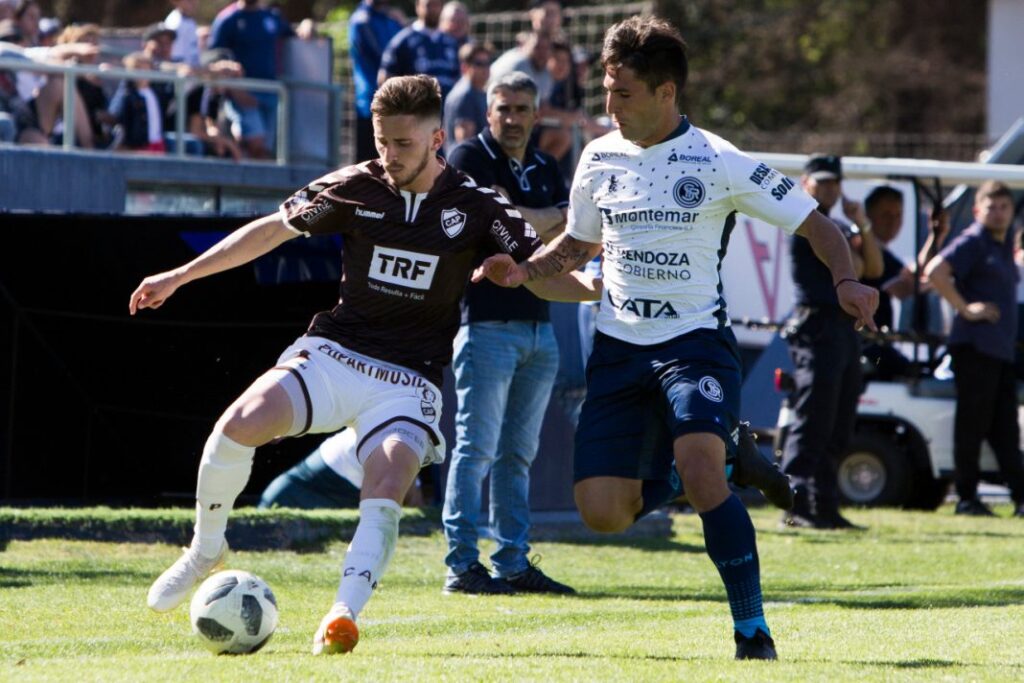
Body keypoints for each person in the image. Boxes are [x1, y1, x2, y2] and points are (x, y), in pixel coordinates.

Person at [131, 74, 600, 656]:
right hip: (337, 354)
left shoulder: (478, 206)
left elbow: (557, 279)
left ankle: (341, 615)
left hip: (408, 381)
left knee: (388, 480)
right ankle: (206, 549)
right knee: (238, 423)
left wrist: (582, 286)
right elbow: (270, 231)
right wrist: (179, 276)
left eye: (402, 144)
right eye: (381, 141)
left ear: (435, 139)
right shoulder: (355, 186)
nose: (389, 156)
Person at [473, 17, 877, 661]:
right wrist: (524, 269)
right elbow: (580, 242)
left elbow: (819, 227)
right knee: (604, 512)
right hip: (617, 347)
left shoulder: (719, 160)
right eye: (606, 91)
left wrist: (849, 282)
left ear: (666, 92)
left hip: (693, 346)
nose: (609, 107)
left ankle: (752, 629)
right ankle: (734, 456)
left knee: (698, 468)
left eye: (623, 93)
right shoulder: (599, 157)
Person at [442, 71, 574, 596]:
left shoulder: (548, 164)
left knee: (518, 455)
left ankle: (513, 563)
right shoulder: (466, 159)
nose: (514, 119)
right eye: (504, 109)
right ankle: (461, 566)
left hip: (542, 327)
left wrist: (527, 217)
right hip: (486, 324)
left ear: (536, 113)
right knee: (475, 450)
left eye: (523, 109)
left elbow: (573, 234)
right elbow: (499, 220)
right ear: (488, 112)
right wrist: (549, 217)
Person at [780, 153, 881, 530]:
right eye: (821, 182)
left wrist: (863, 226)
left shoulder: (839, 226)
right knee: (813, 419)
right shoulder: (803, 222)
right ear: (805, 183)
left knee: (838, 421)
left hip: (842, 331)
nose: (829, 189)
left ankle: (824, 504)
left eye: (834, 182)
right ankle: (797, 504)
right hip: (817, 328)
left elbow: (873, 269)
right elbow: (858, 268)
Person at [925, 180, 1024, 518]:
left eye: (1004, 207)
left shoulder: (1001, 245)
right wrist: (966, 308)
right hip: (976, 348)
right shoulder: (974, 241)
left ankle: (1020, 496)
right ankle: (966, 498)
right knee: (972, 425)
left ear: (1012, 212)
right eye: (991, 207)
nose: (998, 213)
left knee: (1004, 429)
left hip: (999, 352)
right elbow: (936, 271)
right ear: (978, 210)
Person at [210, 0, 295, 158]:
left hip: (271, 93)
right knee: (254, 143)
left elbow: (292, 35)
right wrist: (234, 89)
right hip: (242, 94)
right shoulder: (228, 19)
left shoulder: (271, 16)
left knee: (266, 149)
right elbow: (214, 58)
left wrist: (307, 27)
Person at [259, 429, 425, 509]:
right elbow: (410, 501)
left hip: (334, 499)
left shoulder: (406, 435)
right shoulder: (385, 435)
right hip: (287, 501)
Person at [349, 0, 403, 163]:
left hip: (397, 104)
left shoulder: (391, 20)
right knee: (369, 166)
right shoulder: (362, 21)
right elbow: (387, 59)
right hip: (371, 103)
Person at [378, 0, 459, 100]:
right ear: (418, 7)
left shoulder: (450, 42)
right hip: (416, 111)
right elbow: (385, 79)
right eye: (428, 5)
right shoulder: (403, 42)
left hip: (446, 110)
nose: (433, 10)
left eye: (436, 5)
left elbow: (458, 78)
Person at [108, 51, 167, 153]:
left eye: (146, 68)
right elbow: (116, 112)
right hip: (138, 145)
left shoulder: (157, 92)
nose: (142, 73)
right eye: (137, 68)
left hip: (157, 143)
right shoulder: (127, 93)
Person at [441, 40, 489, 153]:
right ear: (464, 67)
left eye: (487, 63)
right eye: (479, 64)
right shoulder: (464, 95)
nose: (485, 69)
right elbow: (465, 143)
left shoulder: (479, 91)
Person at [165, 0, 201, 67]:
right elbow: (175, 56)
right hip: (181, 73)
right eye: (189, 1)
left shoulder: (190, 20)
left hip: (192, 71)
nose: (194, 3)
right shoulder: (175, 22)